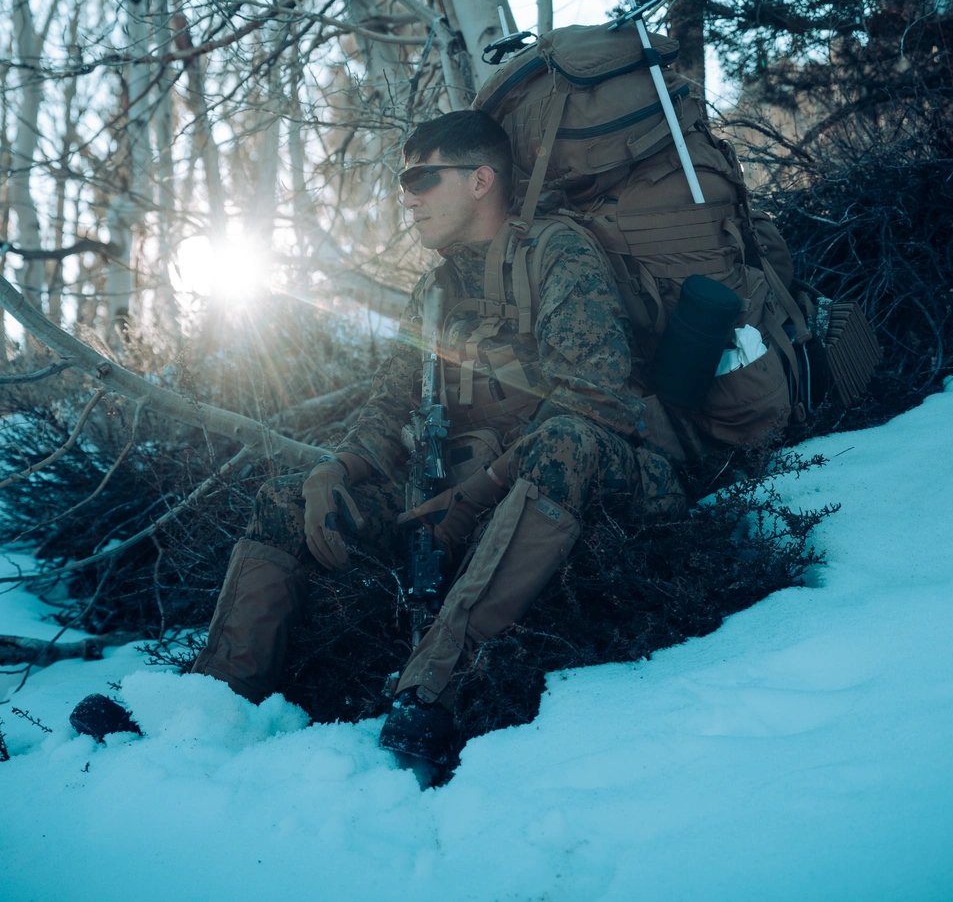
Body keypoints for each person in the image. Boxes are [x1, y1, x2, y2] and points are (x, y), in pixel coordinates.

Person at [72, 111, 685, 764]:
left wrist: (472, 498)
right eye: (403, 182)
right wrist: (336, 469)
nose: (408, 196)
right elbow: (390, 406)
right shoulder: (435, 290)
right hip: (465, 504)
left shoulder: (556, 251)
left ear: (481, 181)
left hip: (596, 488)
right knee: (288, 499)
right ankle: (212, 700)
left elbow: (592, 397)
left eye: (423, 177)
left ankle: (427, 699)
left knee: (564, 437)